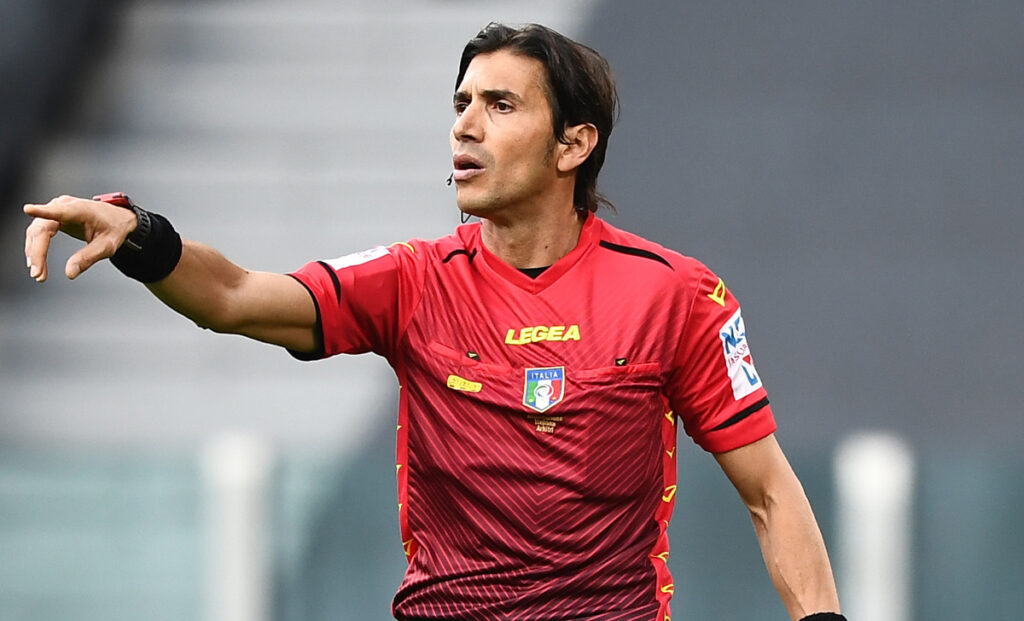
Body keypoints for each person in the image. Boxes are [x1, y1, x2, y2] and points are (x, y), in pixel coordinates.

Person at [23, 22, 844, 621]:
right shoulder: (413, 281)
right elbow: (233, 296)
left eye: (500, 104)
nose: (464, 125)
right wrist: (142, 235)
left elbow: (771, 494)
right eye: (460, 103)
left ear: (573, 144)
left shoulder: (675, 294)